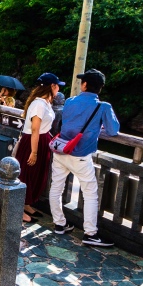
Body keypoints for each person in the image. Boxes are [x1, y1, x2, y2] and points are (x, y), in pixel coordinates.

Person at [49, 69, 120, 247]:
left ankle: (59, 224)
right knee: (90, 194)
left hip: (61, 150)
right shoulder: (103, 106)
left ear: (85, 84)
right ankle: (90, 233)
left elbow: (64, 121)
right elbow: (113, 131)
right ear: (100, 88)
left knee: (56, 187)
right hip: (80, 155)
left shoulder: (71, 101)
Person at [15, 74, 63, 224]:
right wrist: (33, 152)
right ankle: (18, 209)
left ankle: (26, 204)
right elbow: (35, 129)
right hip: (33, 142)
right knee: (27, 173)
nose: (59, 88)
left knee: (36, 175)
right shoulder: (39, 104)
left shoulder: (45, 103)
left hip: (41, 140)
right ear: (53, 86)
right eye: (57, 85)